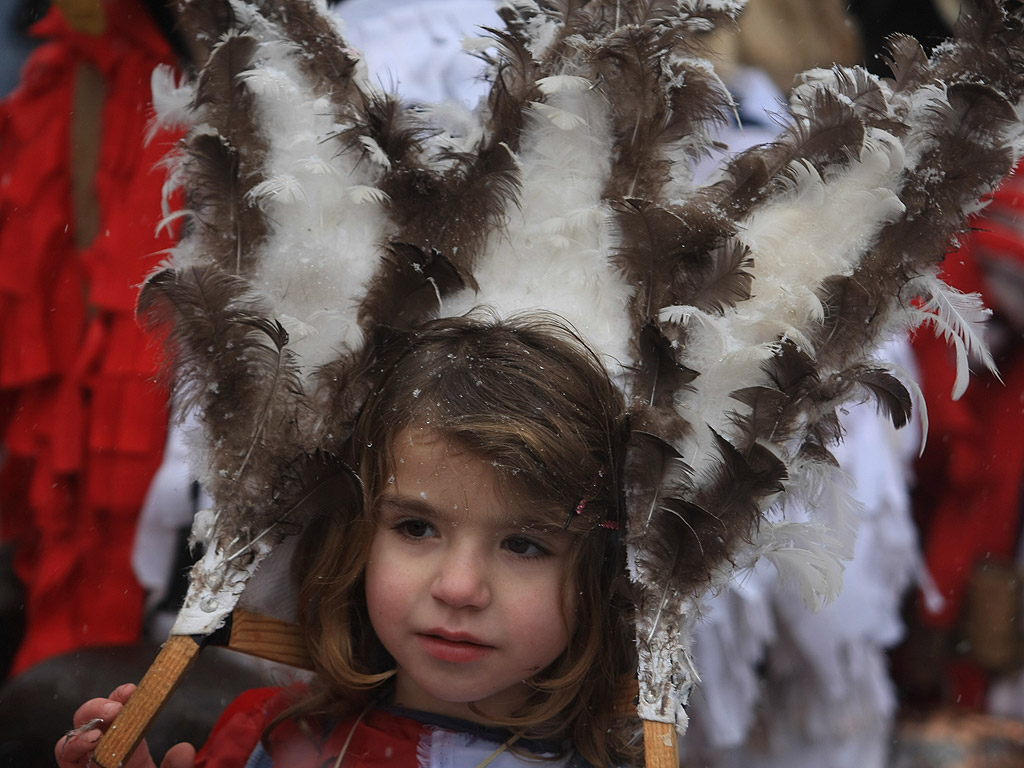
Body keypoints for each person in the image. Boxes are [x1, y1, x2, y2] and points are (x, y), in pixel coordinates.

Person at [56, 316, 641, 768]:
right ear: (356, 538)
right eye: (417, 528)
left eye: (523, 544)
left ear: (596, 576)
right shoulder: (266, 742)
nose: (459, 587)